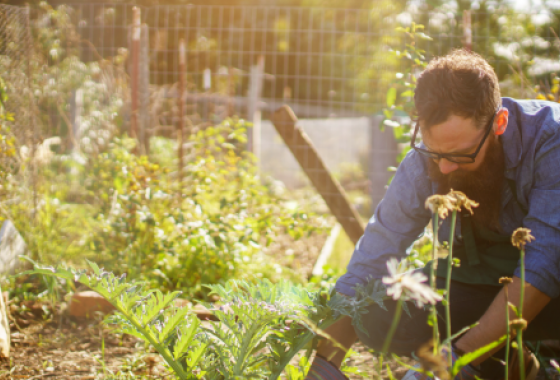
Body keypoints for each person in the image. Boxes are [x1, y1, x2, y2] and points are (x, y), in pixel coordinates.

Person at [305, 49, 560, 380]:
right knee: (375, 313)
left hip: (551, 292)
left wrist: (453, 362)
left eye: (461, 154)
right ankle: (520, 367)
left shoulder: (549, 141)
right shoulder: (423, 161)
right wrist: (324, 367)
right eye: (434, 151)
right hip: (484, 286)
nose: (444, 167)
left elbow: (544, 266)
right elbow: (372, 260)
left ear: (499, 123)